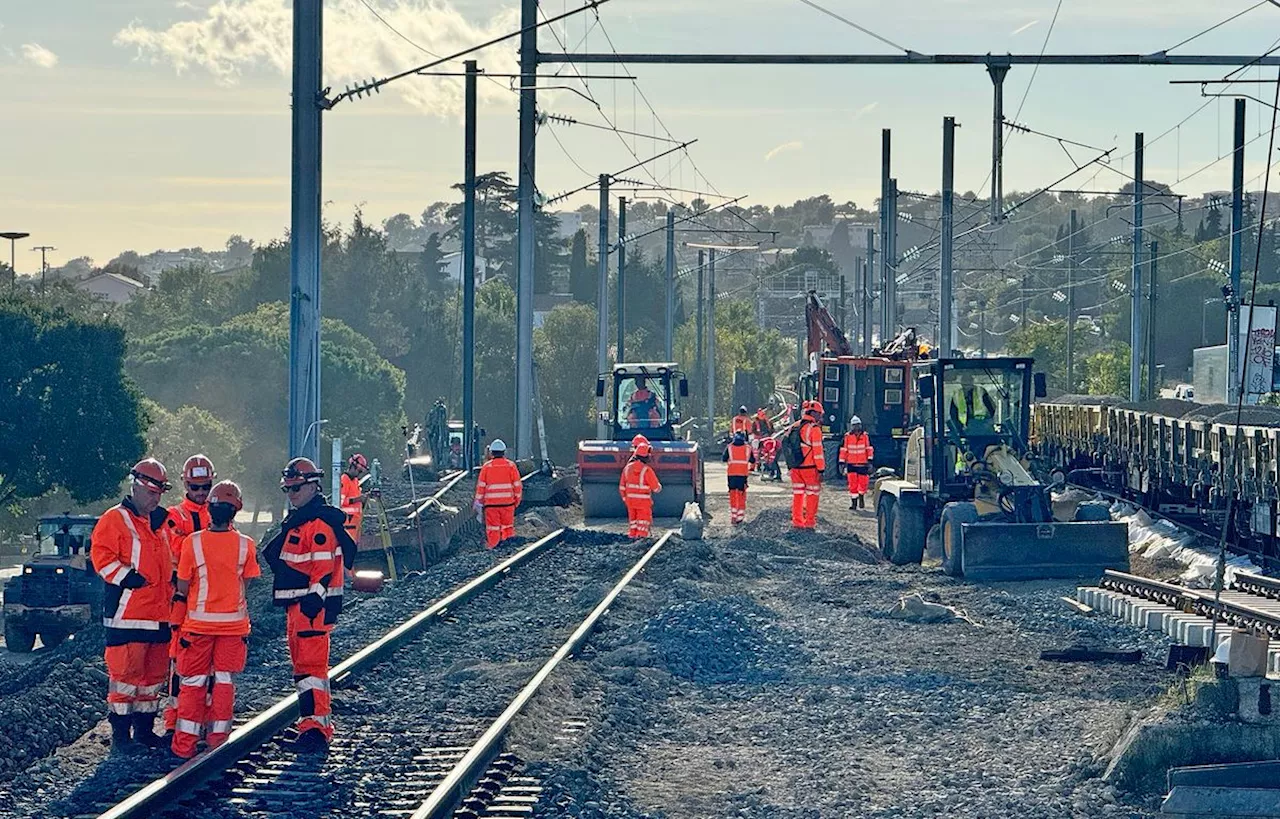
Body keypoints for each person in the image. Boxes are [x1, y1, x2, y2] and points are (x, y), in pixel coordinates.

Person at [262, 457, 357, 751]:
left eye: (296, 489)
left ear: (313, 486)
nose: (291, 494)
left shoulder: (317, 524)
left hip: (310, 609)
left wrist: (314, 598)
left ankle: (316, 728)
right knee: (304, 670)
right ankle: (310, 724)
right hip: (300, 608)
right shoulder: (304, 520)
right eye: (287, 490)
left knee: (312, 669)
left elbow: (322, 565)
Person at [170, 480, 260, 759]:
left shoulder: (192, 543)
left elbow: (182, 588)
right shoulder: (246, 545)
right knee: (223, 682)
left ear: (209, 508)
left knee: (193, 682)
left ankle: (184, 745)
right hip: (233, 628)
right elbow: (250, 580)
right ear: (236, 511)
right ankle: (218, 740)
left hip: (197, 627)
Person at [90, 458, 174, 751]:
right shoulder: (115, 519)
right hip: (127, 617)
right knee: (125, 680)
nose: (156, 498)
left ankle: (144, 732)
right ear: (137, 487)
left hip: (158, 618)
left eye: (159, 493)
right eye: (152, 492)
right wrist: (128, 578)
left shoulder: (159, 525)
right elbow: (101, 558)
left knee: (151, 681)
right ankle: (122, 738)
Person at [160, 454, 216, 735]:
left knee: (210, 666)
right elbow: (178, 550)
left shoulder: (217, 513)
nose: (201, 493)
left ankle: (203, 718)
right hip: (181, 597)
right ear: (185, 485)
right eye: (196, 487)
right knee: (179, 662)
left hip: (210, 599)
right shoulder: (175, 516)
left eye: (205, 487)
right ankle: (174, 720)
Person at [473, 439, 523, 548]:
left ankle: (494, 548)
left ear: (491, 452)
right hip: (508, 504)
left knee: (493, 529)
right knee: (508, 527)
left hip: (491, 506)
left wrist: (478, 503)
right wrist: (516, 501)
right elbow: (517, 486)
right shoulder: (511, 466)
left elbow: (481, 487)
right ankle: (508, 547)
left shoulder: (487, 467)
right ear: (504, 452)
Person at [790, 401, 826, 529]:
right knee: (812, 495)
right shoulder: (814, 429)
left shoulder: (794, 426)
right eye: (819, 414)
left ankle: (797, 522)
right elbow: (818, 452)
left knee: (798, 495)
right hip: (810, 469)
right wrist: (821, 470)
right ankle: (809, 523)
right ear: (814, 413)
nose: (820, 417)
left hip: (795, 468)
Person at [619, 436, 662, 538]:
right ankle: (641, 541)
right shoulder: (647, 470)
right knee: (643, 525)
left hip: (630, 502)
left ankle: (632, 539)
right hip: (643, 503)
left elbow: (622, 486)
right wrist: (659, 487)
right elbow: (656, 488)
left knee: (633, 524)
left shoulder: (627, 468)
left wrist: (626, 499)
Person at [839, 416, 874, 511]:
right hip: (851, 464)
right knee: (852, 484)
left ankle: (861, 496)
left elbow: (869, 449)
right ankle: (854, 503)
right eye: (854, 425)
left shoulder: (865, 436)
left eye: (857, 425)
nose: (856, 427)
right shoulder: (847, 436)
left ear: (860, 425)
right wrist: (842, 462)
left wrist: (870, 462)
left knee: (863, 484)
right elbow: (844, 450)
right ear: (851, 426)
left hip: (863, 464)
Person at [721, 431, 755, 525]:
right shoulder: (748, 448)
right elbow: (753, 460)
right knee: (741, 495)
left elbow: (724, 459)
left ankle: (733, 515)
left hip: (731, 474)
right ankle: (740, 516)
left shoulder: (729, 447)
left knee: (732, 494)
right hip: (743, 475)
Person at [339, 454, 372, 544]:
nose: (359, 474)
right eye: (359, 471)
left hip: (355, 525)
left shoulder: (355, 481)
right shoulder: (344, 480)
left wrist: (364, 500)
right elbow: (340, 502)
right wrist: (358, 499)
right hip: (347, 525)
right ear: (353, 466)